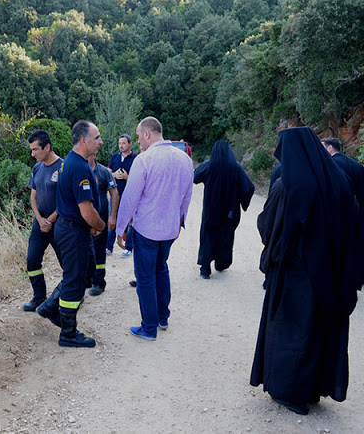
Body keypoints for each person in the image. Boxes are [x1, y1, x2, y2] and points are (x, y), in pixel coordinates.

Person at [251, 127, 360, 415]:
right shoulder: (338, 181)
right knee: (317, 332)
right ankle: (313, 389)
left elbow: (267, 229)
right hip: (331, 276)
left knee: (291, 334)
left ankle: (290, 393)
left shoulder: (289, 185)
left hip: (294, 276)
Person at [116, 117, 193, 341]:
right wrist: (180, 222)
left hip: (146, 229)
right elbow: (187, 196)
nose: (138, 141)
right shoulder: (184, 159)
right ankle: (162, 317)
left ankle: (149, 328)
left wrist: (121, 228)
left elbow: (130, 198)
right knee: (161, 269)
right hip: (169, 229)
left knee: (145, 277)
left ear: (148, 134)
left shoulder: (144, 160)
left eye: (139, 136)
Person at [37, 120, 105, 348]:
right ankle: (68, 332)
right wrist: (100, 225)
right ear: (84, 140)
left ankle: (49, 307)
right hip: (73, 232)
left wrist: (91, 223)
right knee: (74, 282)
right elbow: (86, 210)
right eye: (97, 138)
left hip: (73, 228)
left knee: (84, 274)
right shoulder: (78, 167)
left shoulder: (72, 161)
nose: (100, 142)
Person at [193, 140, 254, 279]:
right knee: (225, 238)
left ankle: (205, 269)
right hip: (229, 212)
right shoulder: (236, 167)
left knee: (208, 237)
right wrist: (241, 201)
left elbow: (195, 177)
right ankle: (221, 264)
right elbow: (248, 188)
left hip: (211, 211)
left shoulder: (208, 166)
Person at [22, 130, 63, 311]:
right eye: (31, 150)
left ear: (47, 147)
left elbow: (67, 201)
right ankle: (39, 297)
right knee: (32, 260)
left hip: (59, 224)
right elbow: (33, 196)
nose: (33, 154)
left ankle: (69, 295)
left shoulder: (63, 167)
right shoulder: (37, 167)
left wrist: (50, 220)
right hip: (40, 223)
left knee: (67, 264)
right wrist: (40, 220)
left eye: (35, 150)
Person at [322, 137, 364, 290]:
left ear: (329, 149)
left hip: (341, 214)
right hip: (358, 213)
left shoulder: (332, 165)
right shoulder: (355, 164)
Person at [87, 152, 119, 296]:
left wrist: (112, 217)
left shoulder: (104, 172)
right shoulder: (77, 170)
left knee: (99, 251)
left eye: (91, 154)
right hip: (82, 221)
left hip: (100, 219)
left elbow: (114, 193)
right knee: (84, 251)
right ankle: (86, 279)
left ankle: (99, 282)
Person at [106, 134, 137, 257]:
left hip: (129, 196)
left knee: (130, 222)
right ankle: (108, 247)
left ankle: (128, 247)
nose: (121, 146)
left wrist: (126, 177)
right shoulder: (114, 157)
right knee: (111, 219)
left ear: (130, 144)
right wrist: (113, 174)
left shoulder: (136, 158)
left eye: (124, 143)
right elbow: (108, 171)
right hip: (115, 195)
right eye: (119, 143)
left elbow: (139, 179)